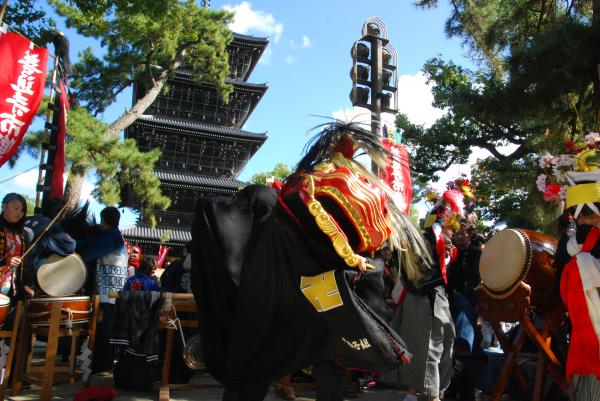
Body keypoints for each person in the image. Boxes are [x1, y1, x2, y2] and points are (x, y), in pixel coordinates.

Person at [392, 185, 471, 401]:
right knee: (430, 345)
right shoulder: (428, 239)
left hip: (430, 297)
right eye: (451, 227)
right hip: (425, 298)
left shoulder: (438, 243)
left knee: (440, 342)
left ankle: (417, 393)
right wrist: (441, 218)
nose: (454, 233)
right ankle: (430, 395)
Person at [76, 206, 128, 373]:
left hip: (108, 292)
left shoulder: (109, 236)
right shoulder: (115, 235)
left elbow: (89, 251)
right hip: (113, 290)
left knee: (103, 329)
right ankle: (102, 362)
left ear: (104, 220)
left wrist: (70, 242)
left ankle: (101, 364)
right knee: (104, 328)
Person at [0, 193, 31, 304]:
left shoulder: (23, 234)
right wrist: (5, 261)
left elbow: (26, 263)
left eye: (22, 211)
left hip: (16, 290)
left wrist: (26, 285)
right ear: (4, 206)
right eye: (16, 208)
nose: (19, 213)